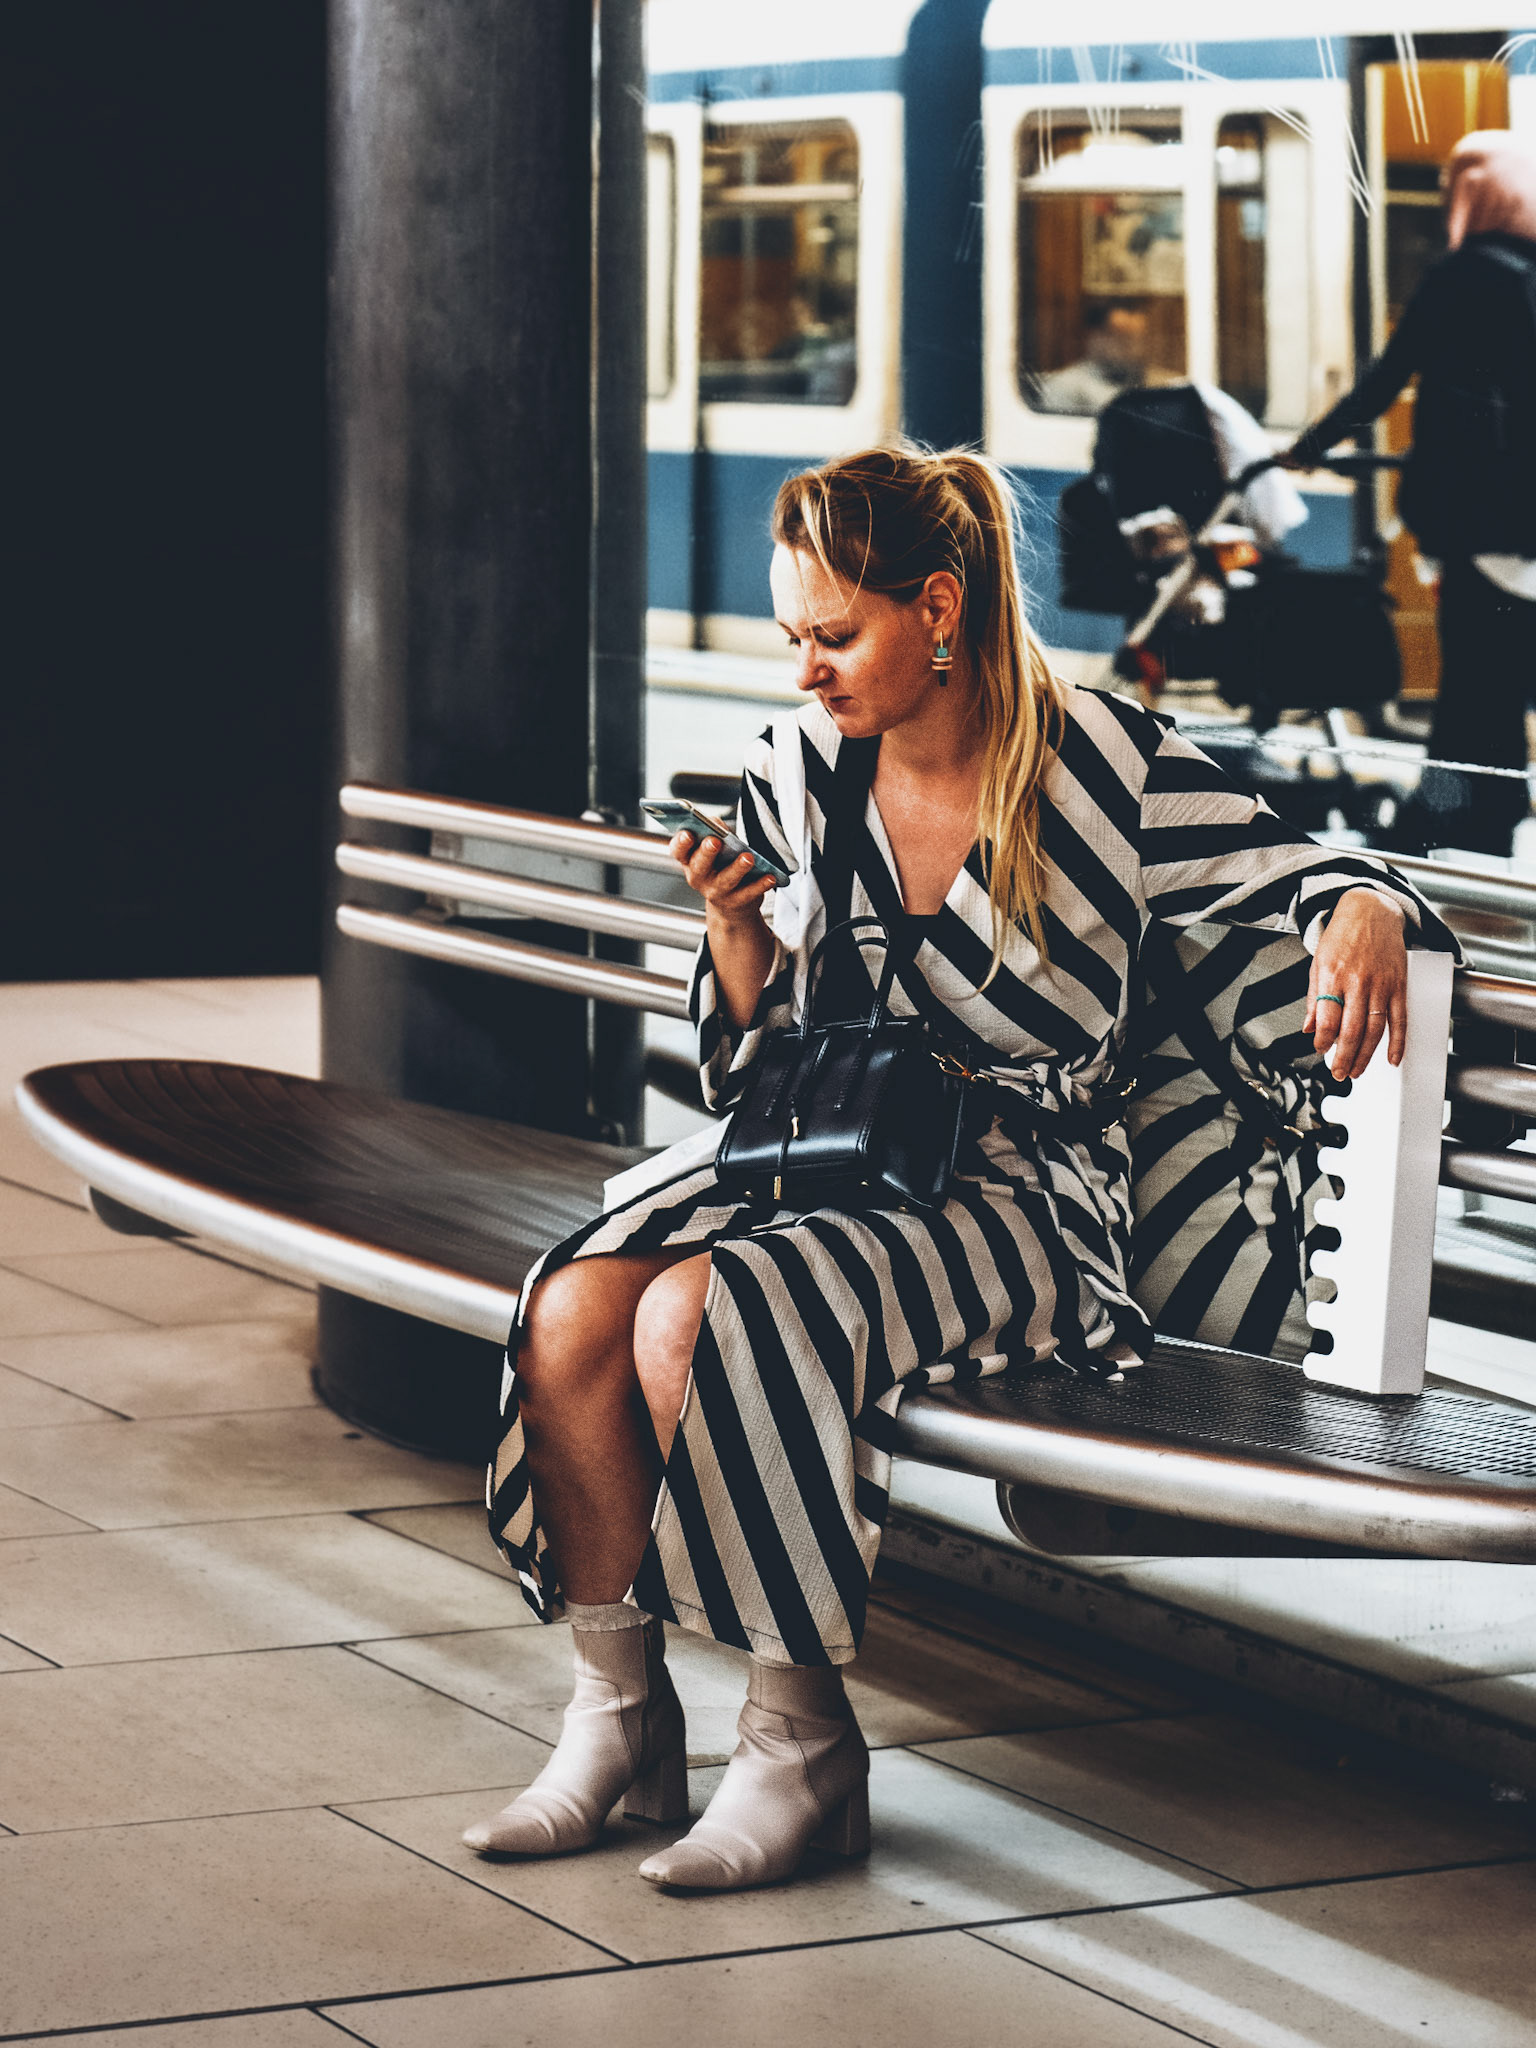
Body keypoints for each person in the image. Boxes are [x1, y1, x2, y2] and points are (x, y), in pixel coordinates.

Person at [466, 444, 1448, 1895]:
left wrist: (1368, 900)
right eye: (793, 635)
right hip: (829, 1152)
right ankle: (619, 1719)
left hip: (1025, 1193)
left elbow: (1309, 880)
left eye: (833, 635)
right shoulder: (803, 768)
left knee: (712, 1309)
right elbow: (754, 1067)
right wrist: (737, 943)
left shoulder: (1108, 767)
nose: (803, 671)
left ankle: (801, 1750)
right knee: (572, 1306)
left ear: (939, 607)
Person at [1287, 131, 1536, 854]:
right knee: (1496, 680)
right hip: (1526, 526)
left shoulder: (1462, 278)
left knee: (1472, 683)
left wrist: (1310, 446)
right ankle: (1489, 809)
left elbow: (1388, 377)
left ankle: (1452, 816)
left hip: (1482, 522)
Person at [1033, 300, 1151, 415]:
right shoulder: (1066, 386)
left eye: (1139, 339)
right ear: (1094, 337)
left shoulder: (1154, 381)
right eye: (1122, 339)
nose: (1134, 348)